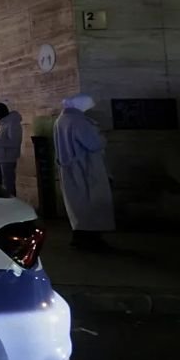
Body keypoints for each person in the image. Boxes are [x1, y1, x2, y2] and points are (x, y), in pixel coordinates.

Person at [54, 94, 115, 251]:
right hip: (86, 167)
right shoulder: (79, 121)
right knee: (91, 202)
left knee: (77, 204)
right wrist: (102, 137)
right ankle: (91, 238)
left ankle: (80, 236)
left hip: (70, 168)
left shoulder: (62, 120)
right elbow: (93, 144)